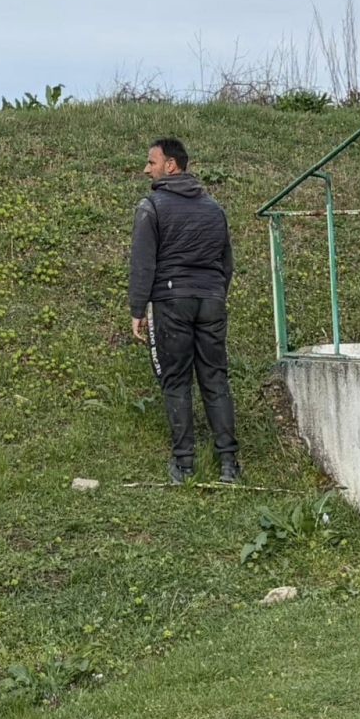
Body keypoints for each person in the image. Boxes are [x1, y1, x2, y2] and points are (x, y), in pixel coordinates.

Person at [128, 136, 240, 484]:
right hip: (211, 300)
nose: (146, 169)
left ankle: (184, 464)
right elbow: (226, 262)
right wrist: (215, 294)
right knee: (215, 378)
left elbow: (142, 263)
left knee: (176, 379)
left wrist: (137, 309)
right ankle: (229, 464)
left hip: (171, 300)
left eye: (151, 162)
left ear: (170, 165)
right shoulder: (214, 208)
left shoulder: (152, 206)